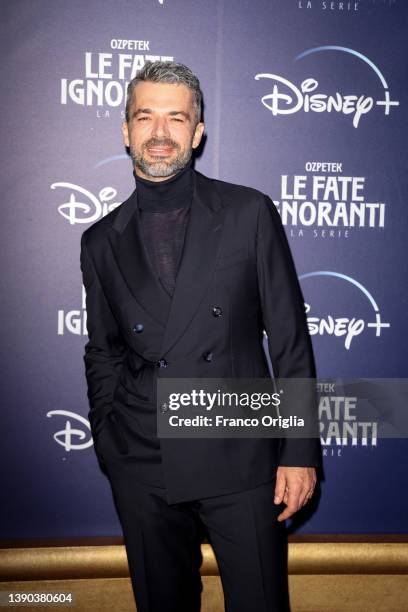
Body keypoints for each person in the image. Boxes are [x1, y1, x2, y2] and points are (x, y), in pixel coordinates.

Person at [80, 60, 321, 612]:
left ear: (197, 131)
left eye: (175, 118)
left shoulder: (248, 212)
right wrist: (108, 436)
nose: (159, 133)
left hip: (238, 448)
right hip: (142, 456)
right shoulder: (99, 240)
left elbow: (289, 339)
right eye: (145, 117)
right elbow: (104, 350)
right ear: (126, 131)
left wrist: (299, 450)